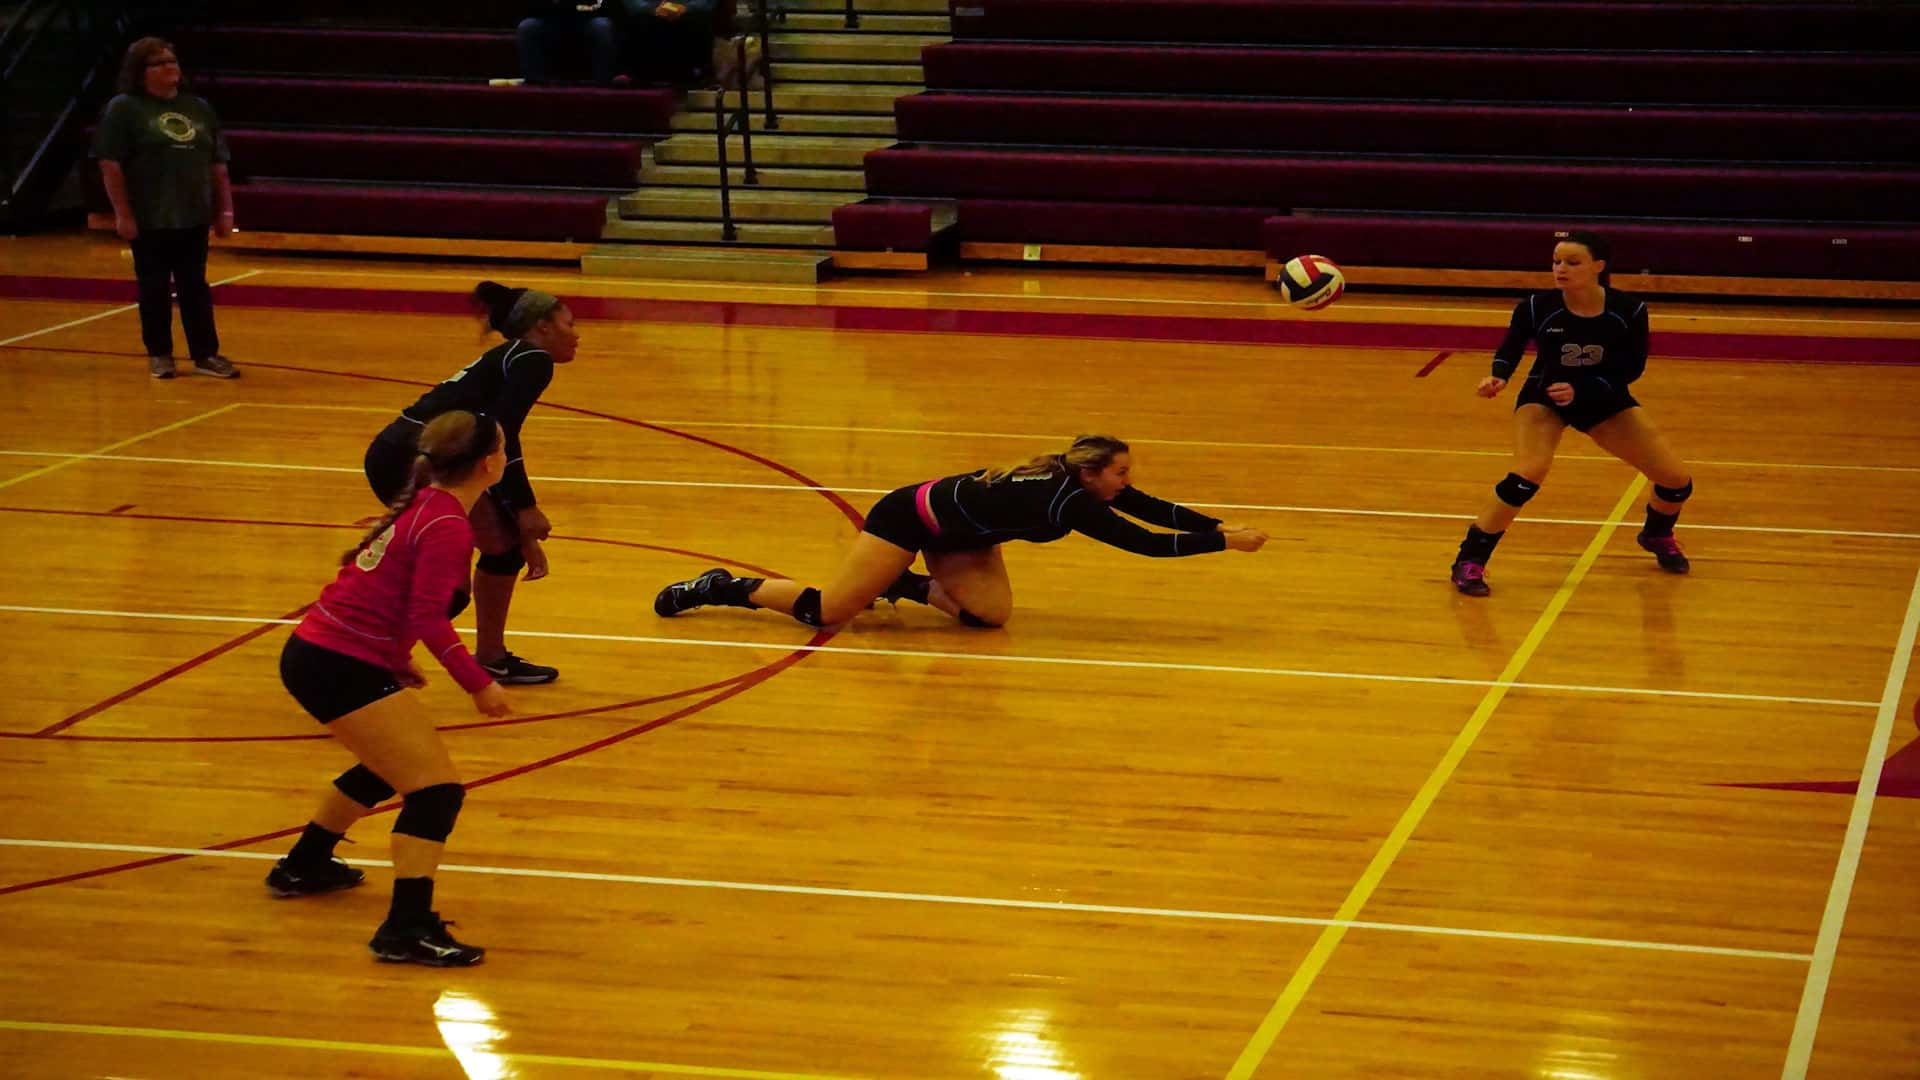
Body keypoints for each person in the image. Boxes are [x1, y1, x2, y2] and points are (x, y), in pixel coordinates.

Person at [268, 411, 512, 967]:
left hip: (324, 653)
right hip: (335, 661)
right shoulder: (447, 524)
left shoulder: (428, 505)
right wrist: (478, 684)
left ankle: (305, 864)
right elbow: (428, 616)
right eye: (502, 446)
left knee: (389, 764)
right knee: (435, 791)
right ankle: (405, 927)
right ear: (487, 463)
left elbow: (378, 592)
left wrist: (393, 658)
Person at [655, 434, 1269, 628]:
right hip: (908, 518)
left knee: (988, 618)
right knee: (828, 613)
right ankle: (723, 587)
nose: (1127, 482)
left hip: (961, 536)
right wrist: (1223, 544)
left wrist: (1216, 524)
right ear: (1090, 473)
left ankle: (905, 585)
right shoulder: (1071, 502)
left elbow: (1154, 509)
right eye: (1121, 473)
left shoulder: (1082, 484)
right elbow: (1145, 543)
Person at [1449, 231, 1695, 597]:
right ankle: (1469, 561)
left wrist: (1584, 388)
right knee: (1527, 473)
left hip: (1603, 397)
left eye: (1572, 262)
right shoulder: (1536, 306)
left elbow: (1631, 368)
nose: (1560, 269)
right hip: (1544, 396)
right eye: (1556, 261)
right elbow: (1511, 347)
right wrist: (1498, 375)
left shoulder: (1629, 310)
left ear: (1598, 266)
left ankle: (1656, 534)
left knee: (1675, 481)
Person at [362, 281, 579, 685]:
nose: (577, 335)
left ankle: (490, 658)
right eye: (569, 323)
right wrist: (526, 507)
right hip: (412, 457)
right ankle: (366, 656)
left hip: (416, 454)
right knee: (450, 583)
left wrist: (519, 519)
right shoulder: (532, 358)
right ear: (543, 326)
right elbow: (503, 435)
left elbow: (488, 446)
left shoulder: (511, 357)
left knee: (503, 550)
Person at [93, 37, 239, 381]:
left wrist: (224, 212)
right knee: (154, 287)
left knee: (195, 286)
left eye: (172, 60)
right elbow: (110, 164)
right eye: (159, 63)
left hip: (193, 214)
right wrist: (123, 214)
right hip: (150, 215)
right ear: (140, 71)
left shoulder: (198, 108)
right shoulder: (124, 109)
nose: (170, 67)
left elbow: (217, 164)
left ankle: (205, 354)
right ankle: (160, 354)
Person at [516, 0, 624, 85]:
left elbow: (603, 6)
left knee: (603, 27)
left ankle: (603, 83)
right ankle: (535, 84)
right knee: (527, 28)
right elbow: (532, 7)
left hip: (588, 19)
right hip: (551, 20)